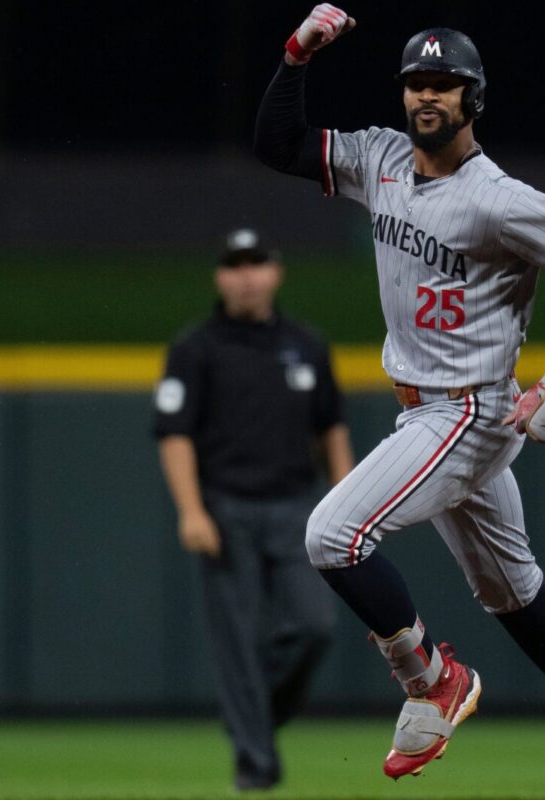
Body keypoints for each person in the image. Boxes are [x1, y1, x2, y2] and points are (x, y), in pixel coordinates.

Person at [252, 3, 545, 800]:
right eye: (415, 84)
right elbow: (278, 145)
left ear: (474, 98)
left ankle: (430, 679)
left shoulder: (499, 199)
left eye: (444, 84)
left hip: (468, 410)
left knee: (333, 536)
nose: (425, 97)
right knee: (511, 589)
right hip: (424, 407)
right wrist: (297, 56)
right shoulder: (381, 159)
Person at [153, 228, 356, 792]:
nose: (246, 276)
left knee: (315, 626)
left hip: (297, 506)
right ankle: (255, 764)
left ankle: (252, 717)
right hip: (226, 508)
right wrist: (191, 511)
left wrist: (350, 502)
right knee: (237, 640)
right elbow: (174, 434)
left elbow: (331, 428)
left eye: (256, 264)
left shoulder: (306, 344)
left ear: (276, 272)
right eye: (235, 265)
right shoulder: (195, 347)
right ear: (221, 276)